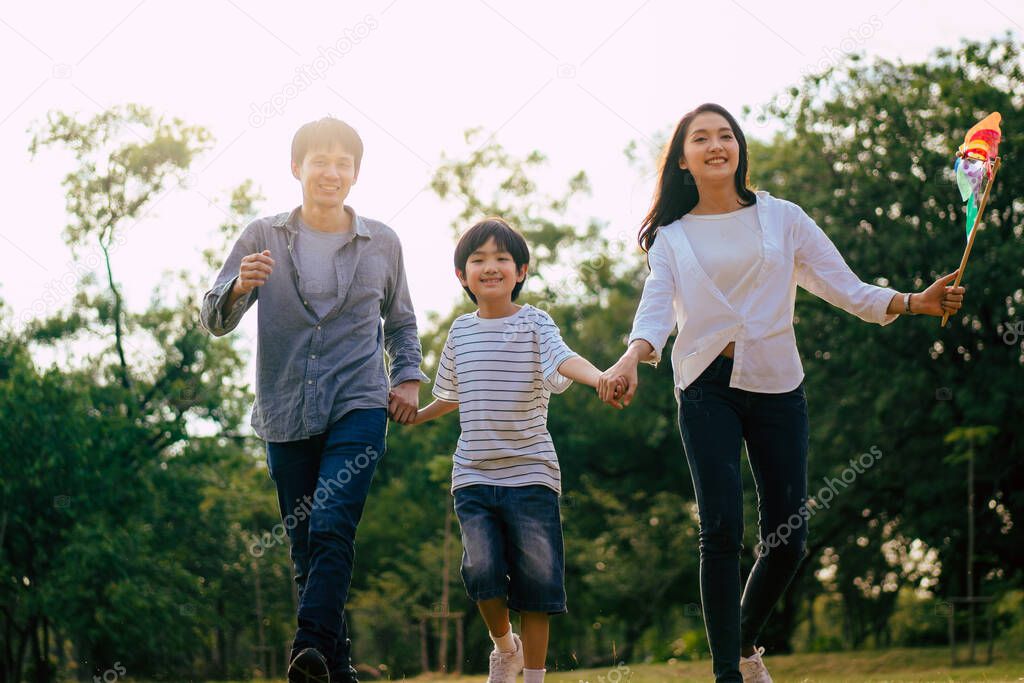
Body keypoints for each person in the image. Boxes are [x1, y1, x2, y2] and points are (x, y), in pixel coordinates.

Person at [597, 103, 965, 682]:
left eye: (726, 135)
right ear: (684, 160)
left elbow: (843, 286)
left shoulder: (782, 218)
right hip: (705, 387)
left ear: (739, 148)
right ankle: (727, 675)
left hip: (776, 385)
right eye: (701, 138)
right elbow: (655, 311)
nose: (716, 144)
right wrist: (630, 358)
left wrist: (914, 301)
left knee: (788, 539)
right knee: (720, 530)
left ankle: (744, 647)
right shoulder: (670, 238)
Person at [200, 117, 427, 683]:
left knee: (330, 524)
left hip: (359, 403)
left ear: (355, 173)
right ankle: (334, 668)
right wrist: (238, 288)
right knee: (305, 548)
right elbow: (212, 317)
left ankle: (307, 647)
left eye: (343, 163)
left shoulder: (382, 242)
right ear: (297, 168)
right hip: (285, 410)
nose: (331, 172)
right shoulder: (262, 236)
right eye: (320, 161)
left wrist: (406, 379)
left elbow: (401, 324)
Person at [411, 218, 624, 683]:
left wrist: (602, 378)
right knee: (482, 571)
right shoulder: (459, 334)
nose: (491, 267)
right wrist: (414, 415)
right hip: (473, 474)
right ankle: (505, 647)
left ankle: (533, 677)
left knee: (538, 584)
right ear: (461, 276)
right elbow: (450, 396)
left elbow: (563, 358)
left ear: (521, 270)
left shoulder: (535, 323)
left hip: (531, 474)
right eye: (478, 260)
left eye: (502, 258)